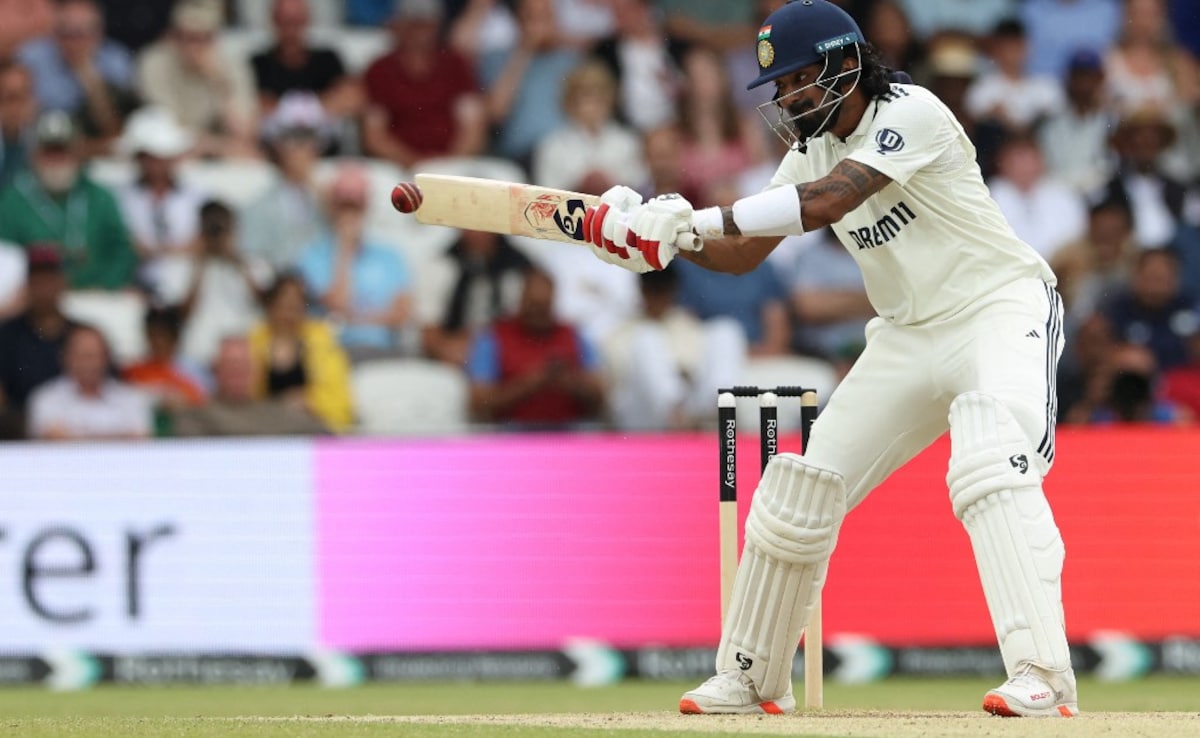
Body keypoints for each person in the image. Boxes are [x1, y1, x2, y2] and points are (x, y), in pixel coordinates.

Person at [581, 0, 1077, 717]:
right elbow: (743, 252)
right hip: (907, 334)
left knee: (992, 459)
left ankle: (1043, 674)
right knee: (800, 491)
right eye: (778, 87)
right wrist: (663, 240)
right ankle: (753, 677)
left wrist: (696, 216)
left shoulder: (912, 111)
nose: (787, 99)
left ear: (846, 63)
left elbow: (827, 201)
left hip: (998, 309)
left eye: (797, 80)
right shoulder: (810, 149)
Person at [465, 268, 605, 428]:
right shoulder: (493, 338)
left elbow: (600, 399)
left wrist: (570, 382)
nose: (538, 312)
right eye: (533, 305)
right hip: (511, 432)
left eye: (543, 306)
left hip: (568, 431)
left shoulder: (575, 337)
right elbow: (478, 403)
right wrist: (531, 383)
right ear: (521, 300)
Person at [247, 272, 354, 432]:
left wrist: (310, 401)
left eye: (295, 307)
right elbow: (244, 397)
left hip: (311, 426)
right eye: (283, 306)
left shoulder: (323, 342)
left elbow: (340, 399)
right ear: (270, 307)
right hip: (265, 428)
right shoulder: (253, 342)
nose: (288, 314)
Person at [172, 334, 329, 436]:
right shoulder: (195, 415)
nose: (237, 371)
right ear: (215, 370)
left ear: (257, 372)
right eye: (231, 365)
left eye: (244, 365)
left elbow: (326, 436)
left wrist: (311, 412)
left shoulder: (276, 412)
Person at [27, 322, 152, 440]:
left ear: (107, 358)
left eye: (95, 355)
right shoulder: (45, 398)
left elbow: (140, 438)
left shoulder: (131, 398)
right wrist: (118, 437)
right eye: (83, 355)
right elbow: (52, 439)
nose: (89, 363)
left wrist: (74, 437)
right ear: (66, 357)